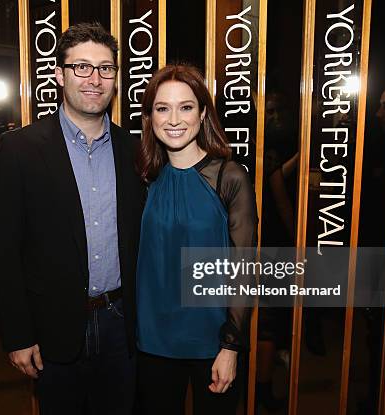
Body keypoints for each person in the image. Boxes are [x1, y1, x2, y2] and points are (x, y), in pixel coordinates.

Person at [0, 23, 145, 415]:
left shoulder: (135, 150)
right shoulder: (19, 149)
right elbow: (3, 252)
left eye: (106, 69)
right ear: (59, 75)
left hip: (121, 325)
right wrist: (17, 335)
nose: (95, 79)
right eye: (82, 67)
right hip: (51, 329)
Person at [136, 64, 258, 414]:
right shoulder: (144, 177)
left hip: (213, 343)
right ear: (150, 116)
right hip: (152, 343)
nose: (174, 119)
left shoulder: (229, 177)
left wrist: (231, 347)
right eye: (162, 108)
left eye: (186, 107)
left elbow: (244, 267)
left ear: (203, 113)